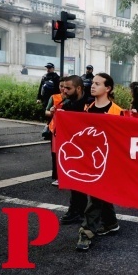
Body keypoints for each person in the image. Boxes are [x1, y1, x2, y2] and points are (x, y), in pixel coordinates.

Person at [77, 73, 123, 251]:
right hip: (92, 160)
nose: (92, 86)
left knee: (96, 195)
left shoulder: (118, 111)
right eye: (93, 83)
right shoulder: (88, 108)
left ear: (108, 88)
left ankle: (87, 231)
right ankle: (111, 223)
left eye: (97, 83)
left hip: (109, 161)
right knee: (100, 193)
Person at [58, 75, 89, 225]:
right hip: (73, 149)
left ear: (78, 88)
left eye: (68, 88)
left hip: (90, 149)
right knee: (75, 181)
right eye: (63, 87)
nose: (64, 90)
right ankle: (76, 210)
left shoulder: (90, 103)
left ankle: (103, 217)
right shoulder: (66, 104)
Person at [45, 77, 66, 186]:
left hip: (67, 130)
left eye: (66, 87)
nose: (63, 89)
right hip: (56, 129)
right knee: (56, 154)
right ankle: (58, 176)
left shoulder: (73, 99)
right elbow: (46, 112)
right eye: (61, 86)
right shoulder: (54, 97)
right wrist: (52, 111)